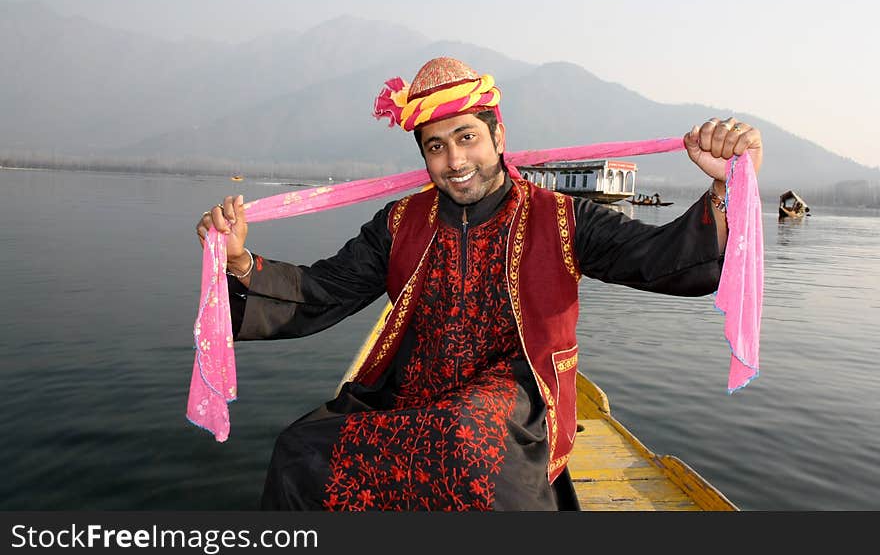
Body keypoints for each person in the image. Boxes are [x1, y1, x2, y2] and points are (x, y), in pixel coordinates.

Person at [195, 57, 763, 511]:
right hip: (410, 399)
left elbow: (662, 259)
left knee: (470, 443)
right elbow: (323, 293)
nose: (454, 159)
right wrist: (243, 262)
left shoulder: (561, 218)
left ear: (498, 134)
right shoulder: (399, 223)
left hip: (510, 406)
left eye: (466, 137)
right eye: (435, 146)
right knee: (297, 453)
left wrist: (722, 193)